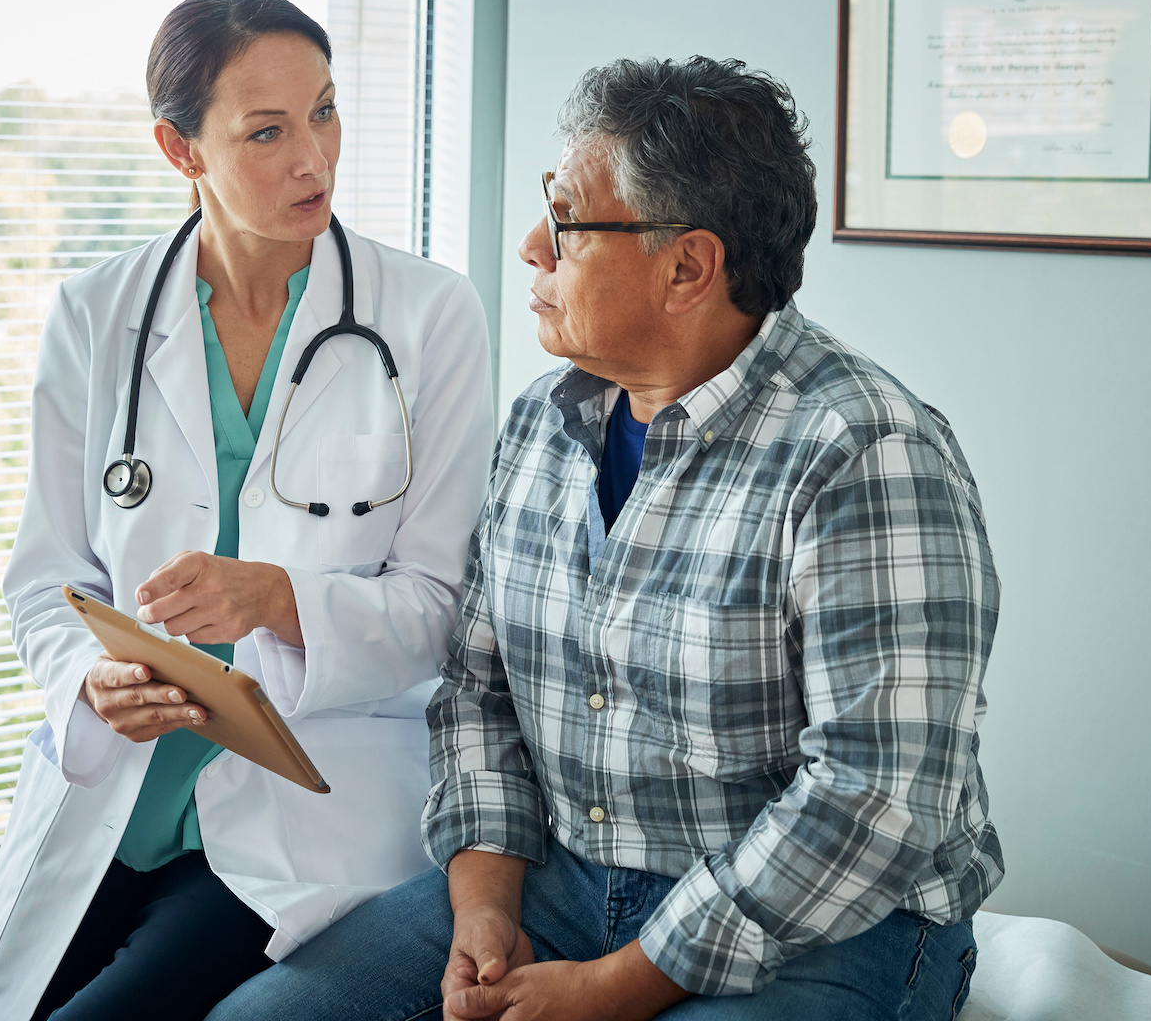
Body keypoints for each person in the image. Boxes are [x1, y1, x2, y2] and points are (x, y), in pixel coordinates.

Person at [211, 57, 1003, 1021]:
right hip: (571, 877)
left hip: (829, 922)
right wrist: (485, 906)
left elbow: (873, 798)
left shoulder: (865, 454)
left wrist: (615, 987)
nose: (530, 248)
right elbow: (479, 692)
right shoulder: (543, 424)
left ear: (687, 268)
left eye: (568, 223)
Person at [0, 0, 495, 1021]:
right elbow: (46, 579)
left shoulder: (430, 315)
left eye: (325, 112)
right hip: (118, 786)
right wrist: (88, 681)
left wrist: (278, 599)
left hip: (307, 795)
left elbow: (444, 608)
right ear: (181, 149)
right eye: (267, 131)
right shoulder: (95, 315)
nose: (314, 159)